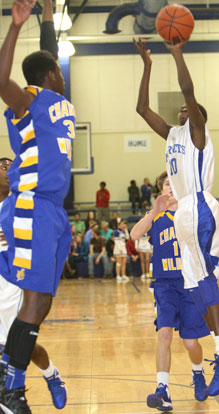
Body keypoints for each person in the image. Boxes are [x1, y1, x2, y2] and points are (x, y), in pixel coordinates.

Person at [134, 36, 219, 396]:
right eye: (180, 109)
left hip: (200, 205)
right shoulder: (173, 135)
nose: (182, 109)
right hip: (184, 216)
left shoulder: (197, 133)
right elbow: (142, 109)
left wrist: (176, 54)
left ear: (198, 118)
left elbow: (188, 89)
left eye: (189, 109)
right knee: (194, 286)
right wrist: (147, 67)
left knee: (204, 278)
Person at [0, 0, 76, 411]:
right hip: (31, 205)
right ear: (49, 76)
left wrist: (48, 12)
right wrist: (15, 27)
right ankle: (11, 391)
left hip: (53, 212)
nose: (62, 74)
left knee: (41, 303)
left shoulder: (55, 99)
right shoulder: (27, 102)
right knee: (32, 302)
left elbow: (49, 46)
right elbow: (1, 79)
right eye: (58, 70)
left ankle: (11, 381)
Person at [131, 171, 210, 411]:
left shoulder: (191, 212)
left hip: (190, 284)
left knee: (190, 342)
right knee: (164, 333)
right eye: (167, 184)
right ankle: (162, 389)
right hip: (165, 285)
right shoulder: (155, 215)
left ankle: (198, 373)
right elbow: (135, 235)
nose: (171, 187)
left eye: (174, 183)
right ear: (161, 190)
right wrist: (154, 211)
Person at [0, 157, 67, 412]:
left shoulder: (22, 203)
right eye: (4, 166)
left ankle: (49, 375)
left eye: (13, 167)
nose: (10, 171)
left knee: (17, 345)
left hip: (14, 280)